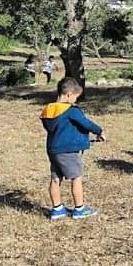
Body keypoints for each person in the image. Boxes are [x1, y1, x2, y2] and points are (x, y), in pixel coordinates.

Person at [40, 77, 104, 220]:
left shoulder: (48, 110)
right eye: (75, 97)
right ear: (68, 94)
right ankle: (79, 209)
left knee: (56, 179)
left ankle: (57, 209)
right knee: (76, 178)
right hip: (68, 151)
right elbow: (86, 123)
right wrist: (99, 131)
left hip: (53, 149)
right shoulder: (71, 110)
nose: (76, 100)